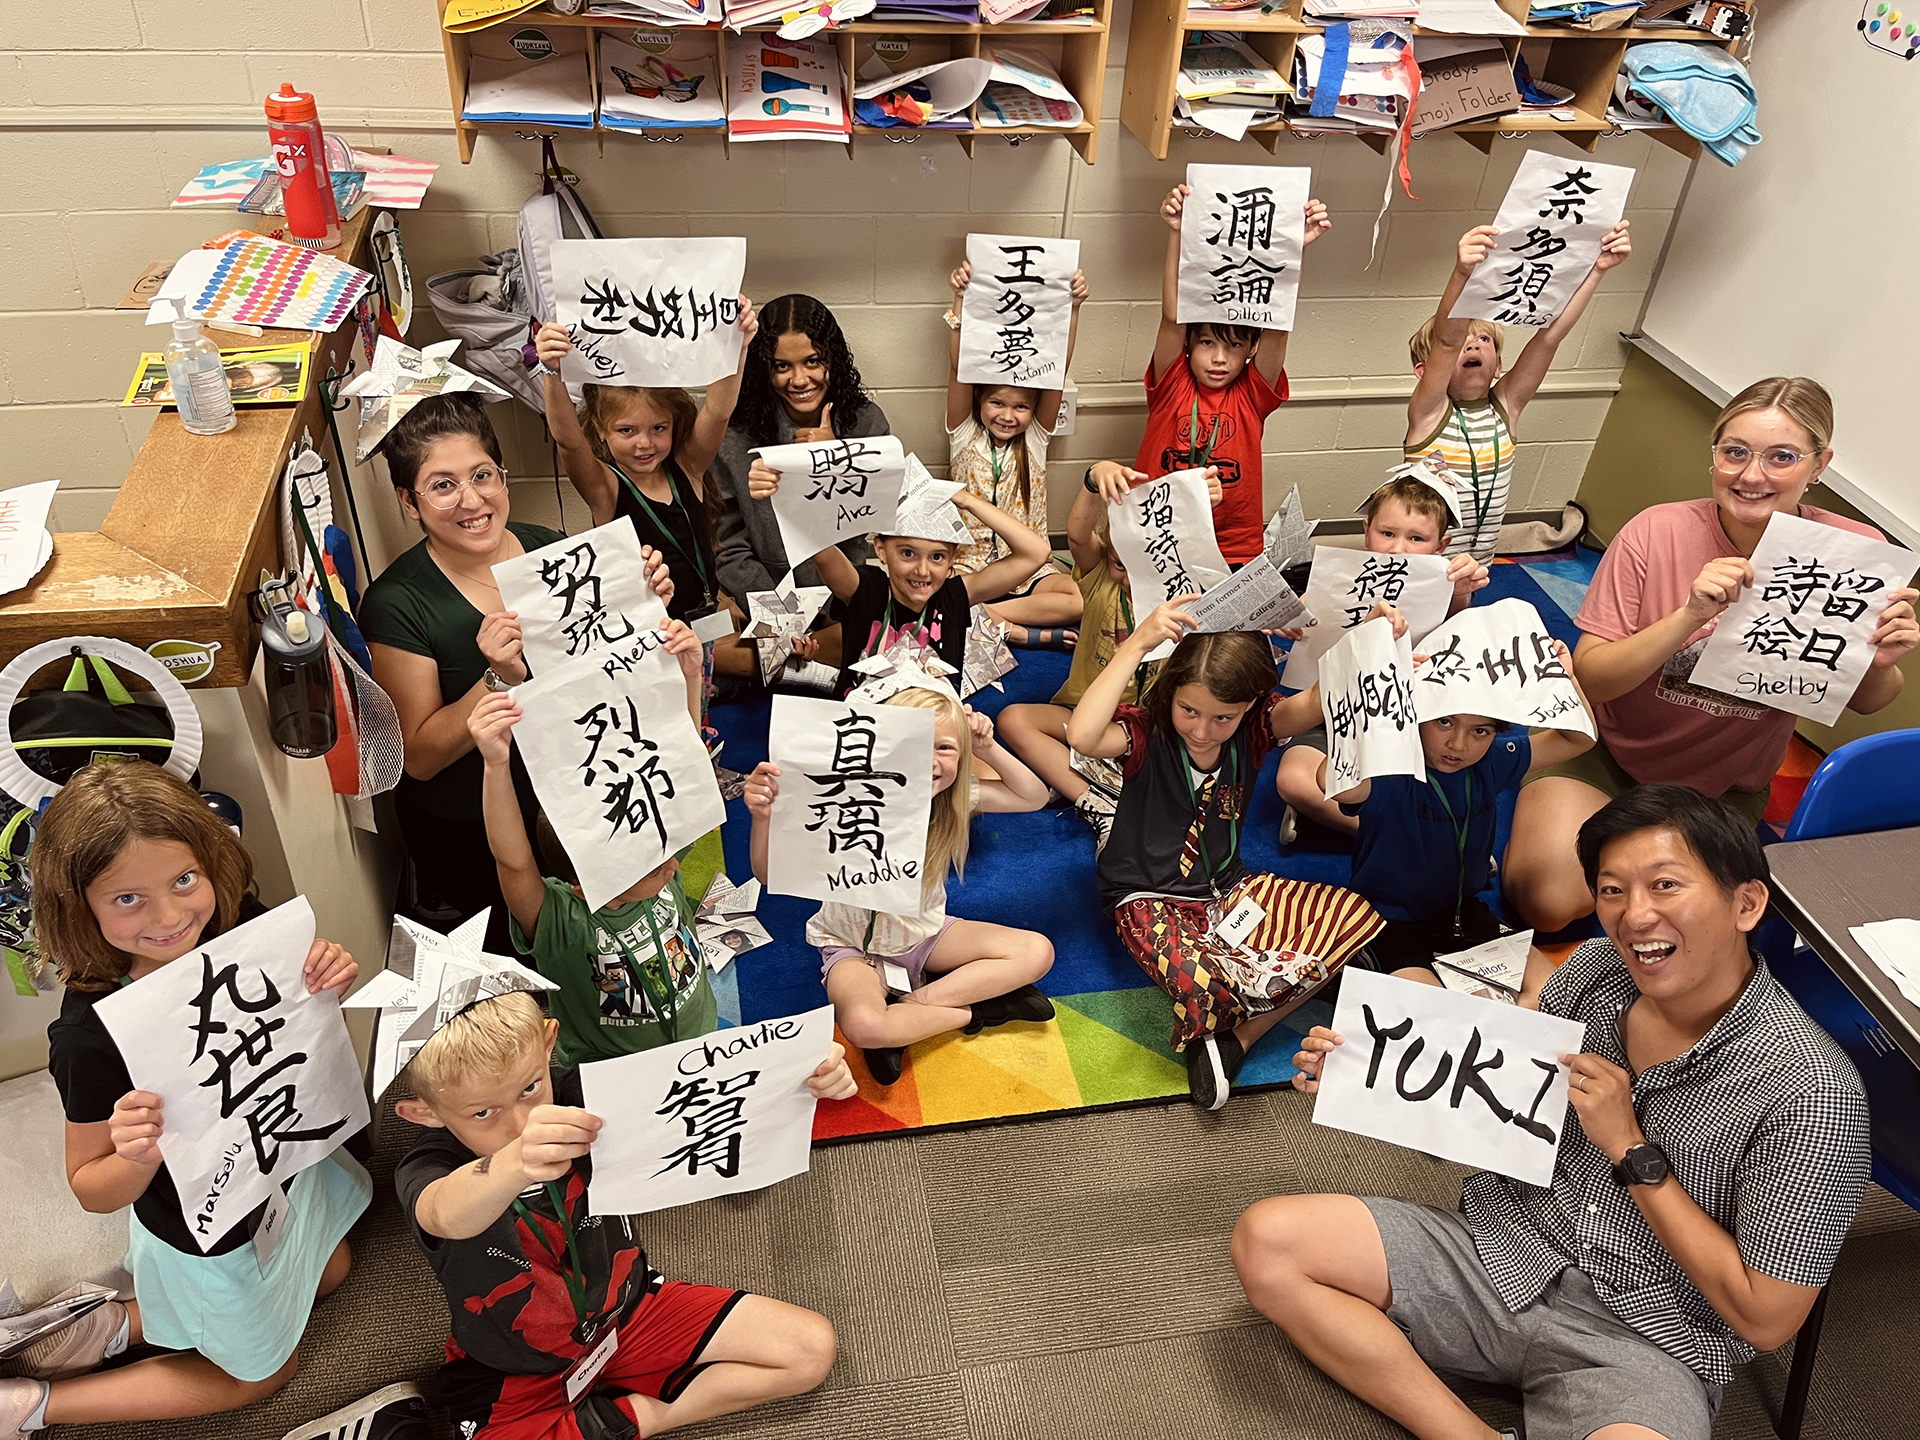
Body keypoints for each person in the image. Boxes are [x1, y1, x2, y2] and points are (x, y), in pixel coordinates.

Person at [1234, 785, 1872, 1440]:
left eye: (1665, 885)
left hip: (1647, 1336)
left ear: (1746, 902)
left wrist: (1632, 1152)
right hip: (1502, 1253)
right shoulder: (1595, 970)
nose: (1635, 916)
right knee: (1270, 1242)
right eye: (1613, 890)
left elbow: (1766, 1320)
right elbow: (1508, 1118)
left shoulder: (1813, 1094)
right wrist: (1368, 1077)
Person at [0, 763, 369, 1435]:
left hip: (282, 1160)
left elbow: (306, 1038)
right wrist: (136, 1155)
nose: (170, 917)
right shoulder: (89, 1035)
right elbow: (90, 1186)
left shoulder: (233, 925)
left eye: (182, 880)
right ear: (77, 906)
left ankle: (115, 1326)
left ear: (210, 861)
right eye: (127, 899)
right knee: (263, 1373)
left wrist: (322, 982)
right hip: (205, 1221)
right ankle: (32, 1406)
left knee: (333, 1267)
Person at [1505, 376, 1920, 932]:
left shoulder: (1852, 553)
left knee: (1687, 917)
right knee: (1548, 901)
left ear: (1819, 465)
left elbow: (1869, 702)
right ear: (1715, 455)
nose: (1752, 475)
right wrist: (1688, 618)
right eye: (1735, 452)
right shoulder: (1656, 531)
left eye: (1782, 457)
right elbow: (1592, 681)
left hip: (1723, 786)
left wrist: (1881, 660)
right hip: (1605, 752)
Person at [392, 989, 855, 1440]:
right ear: (425, 1113)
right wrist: (514, 1163)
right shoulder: (429, 1165)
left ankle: (628, 1420)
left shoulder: (590, 1089)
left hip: (628, 1311)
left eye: (531, 1088)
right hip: (516, 1362)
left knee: (809, 1350)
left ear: (549, 1043)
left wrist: (809, 1070)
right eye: (483, 1113)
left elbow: (723, 1081)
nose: (521, 1125)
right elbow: (443, 1213)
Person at [362, 394, 672, 954]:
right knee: (531, 965)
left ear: (503, 476)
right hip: (474, 827)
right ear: (409, 502)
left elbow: (608, 670)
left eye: (483, 475)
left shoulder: (549, 548)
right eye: (443, 485)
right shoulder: (397, 602)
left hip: (575, 791)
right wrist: (496, 676)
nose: (472, 500)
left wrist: (646, 605)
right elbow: (421, 757)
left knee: (608, 949)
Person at [1067, 600, 1383, 1110]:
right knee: (1201, 978)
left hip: (1227, 889)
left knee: (1353, 915)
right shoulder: (1146, 733)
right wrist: (1139, 644)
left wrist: (1366, 641)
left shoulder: (1256, 733)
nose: (1202, 729)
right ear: (1170, 693)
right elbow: (1081, 735)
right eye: (1189, 710)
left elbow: (1320, 698)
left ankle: (1238, 1037)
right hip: (1147, 898)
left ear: (1250, 708)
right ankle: (1291, 983)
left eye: (1223, 718)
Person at [744, 685, 1054, 1085]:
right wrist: (763, 817)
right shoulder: (843, 798)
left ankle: (913, 1009)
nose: (929, 761)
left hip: (923, 933)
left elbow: (1034, 797)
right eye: (915, 745)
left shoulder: (953, 800)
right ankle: (979, 1010)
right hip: (850, 946)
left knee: (1036, 951)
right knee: (866, 1027)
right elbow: (769, 875)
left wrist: (987, 748)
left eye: (945, 748)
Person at [468, 615, 717, 1064]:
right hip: (608, 1074)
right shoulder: (563, 921)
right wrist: (495, 763)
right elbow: (514, 863)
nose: (673, 866)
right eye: (657, 867)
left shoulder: (652, 853)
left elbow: (681, 770)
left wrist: (690, 674)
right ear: (586, 882)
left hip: (700, 1040)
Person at [1319, 638, 1596, 975]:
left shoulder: (1492, 760)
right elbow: (1333, 781)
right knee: (1426, 1007)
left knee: (1549, 992)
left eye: (1480, 730)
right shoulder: (1390, 767)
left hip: (1462, 912)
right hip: (1386, 921)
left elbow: (1579, 738)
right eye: (1444, 722)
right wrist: (1374, 703)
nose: (1458, 744)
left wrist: (1563, 680)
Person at [535, 301, 759, 695]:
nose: (644, 443)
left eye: (659, 428)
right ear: (601, 431)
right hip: (644, 642)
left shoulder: (687, 468)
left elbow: (719, 411)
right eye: (626, 431)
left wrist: (735, 344)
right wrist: (553, 373)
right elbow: (568, 441)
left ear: (674, 425)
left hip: (702, 624)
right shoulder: (606, 488)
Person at [996, 458, 1218, 847]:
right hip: (1082, 714)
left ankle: (1097, 781)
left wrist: (1201, 505)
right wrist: (1093, 479)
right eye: (1120, 564)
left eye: (1144, 567)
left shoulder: (1187, 594)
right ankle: (1097, 801)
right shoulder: (1101, 580)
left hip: (1145, 732)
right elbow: (1079, 536)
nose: (1129, 577)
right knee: (1014, 719)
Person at [1274, 471, 1492, 838]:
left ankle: (1391, 827)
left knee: (1456, 758)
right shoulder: (1337, 582)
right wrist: (1287, 620)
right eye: (1387, 533)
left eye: (1417, 538)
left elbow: (1459, 631)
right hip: (1331, 720)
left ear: (1442, 545)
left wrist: (1459, 589)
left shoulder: (1443, 583)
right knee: (1294, 779)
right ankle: (1408, 835)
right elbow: (1304, 618)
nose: (1398, 549)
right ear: (1366, 529)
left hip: (1414, 723)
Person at [1405, 219, 1632, 563]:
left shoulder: (1506, 406)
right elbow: (1446, 340)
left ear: (1498, 367)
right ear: (1424, 373)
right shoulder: (1429, 412)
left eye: (1484, 340)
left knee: (1462, 612)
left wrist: (1597, 270)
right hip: (1420, 559)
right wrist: (1464, 274)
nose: (1473, 346)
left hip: (1477, 559)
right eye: (1464, 343)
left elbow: (1549, 336)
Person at [1135, 184, 1332, 566]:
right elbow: (1172, 316)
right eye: (1208, 343)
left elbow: (1276, 325)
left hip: (1233, 544)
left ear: (1250, 352)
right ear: (1190, 345)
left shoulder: (1250, 395)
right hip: (1159, 533)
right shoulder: (1171, 382)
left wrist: (1294, 249)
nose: (1220, 358)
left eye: (1235, 347)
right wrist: (1176, 232)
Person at [745, 457, 1053, 695]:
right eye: (907, 553)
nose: (922, 570)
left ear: (952, 560)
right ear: (880, 549)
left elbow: (1036, 553)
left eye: (937, 557)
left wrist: (967, 500)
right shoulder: (866, 590)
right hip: (866, 724)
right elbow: (818, 545)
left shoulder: (955, 595)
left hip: (935, 725)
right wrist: (784, 487)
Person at [710, 295, 892, 677]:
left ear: (832, 360)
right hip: (761, 596)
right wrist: (783, 619)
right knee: (723, 648)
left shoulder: (866, 424)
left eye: (812, 361)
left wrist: (831, 467)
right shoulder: (733, 434)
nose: (799, 380)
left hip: (838, 594)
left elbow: (860, 536)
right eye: (782, 366)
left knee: (872, 646)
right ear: (766, 368)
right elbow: (729, 549)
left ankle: (788, 664)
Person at [942, 258, 1088, 649]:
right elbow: (957, 368)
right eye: (997, 404)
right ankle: (1021, 632)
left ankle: (985, 619)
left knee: (1077, 597)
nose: (1008, 416)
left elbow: (1056, 368)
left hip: (1027, 569)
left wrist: (1073, 309)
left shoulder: (1035, 441)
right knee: (944, 590)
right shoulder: (964, 434)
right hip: (972, 568)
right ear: (980, 399)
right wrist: (959, 300)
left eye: (1021, 407)